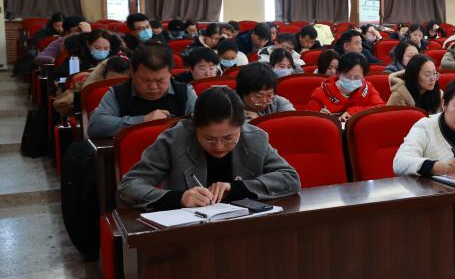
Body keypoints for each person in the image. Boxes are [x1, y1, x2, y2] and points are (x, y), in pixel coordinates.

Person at [117, 87, 300, 211]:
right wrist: (179, 198)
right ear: (194, 126)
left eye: (228, 138)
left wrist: (236, 188)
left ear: (241, 126)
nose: (219, 147)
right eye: (209, 139)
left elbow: (289, 178)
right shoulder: (174, 140)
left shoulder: (255, 138)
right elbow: (128, 187)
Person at [88, 45, 197, 138]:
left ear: (170, 73)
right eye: (145, 80)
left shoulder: (185, 92)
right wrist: (143, 121)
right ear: (132, 72)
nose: (153, 87)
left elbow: (201, 124)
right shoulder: (118, 93)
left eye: (160, 80)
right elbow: (95, 125)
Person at [308, 52, 385, 121]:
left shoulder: (368, 88)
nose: (351, 80)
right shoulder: (321, 92)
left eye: (356, 77)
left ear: (363, 76)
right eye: (347, 76)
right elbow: (309, 118)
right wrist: (320, 116)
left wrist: (353, 112)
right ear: (339, 73)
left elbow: (380, 107)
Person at [51, 28, 121, 80]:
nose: (102, 51)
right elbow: (64, 78)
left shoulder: (114, 58)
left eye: (106, 48)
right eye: (97, 48)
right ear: (88, 44)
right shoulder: (76, 58)